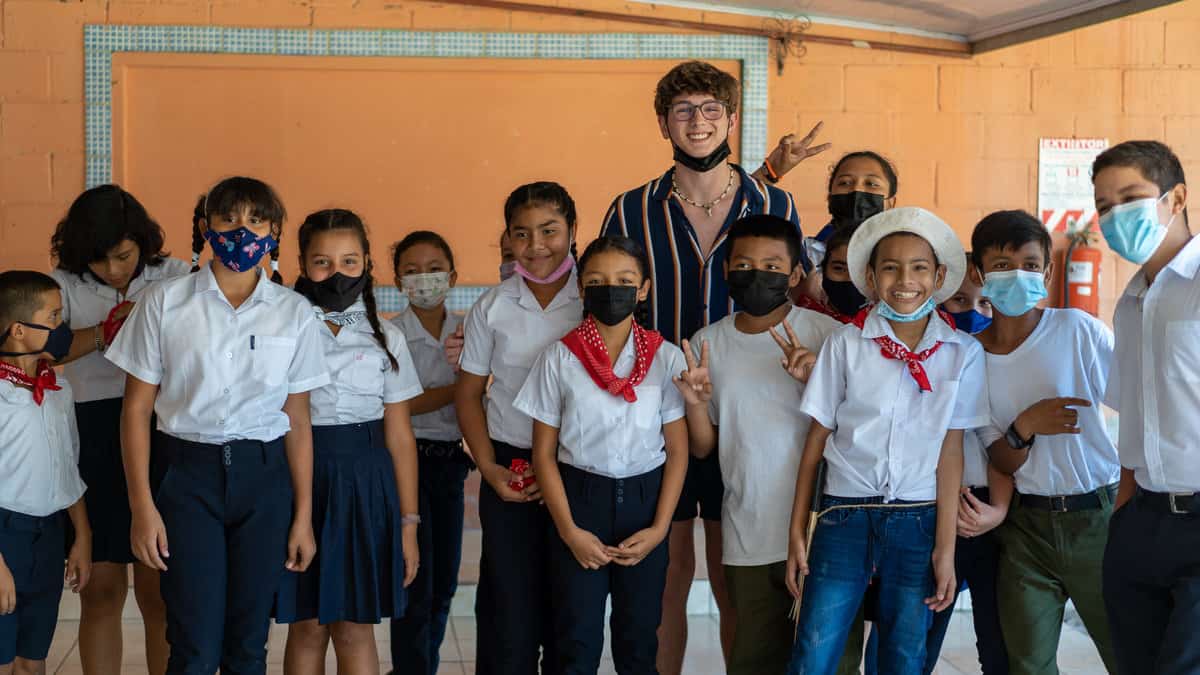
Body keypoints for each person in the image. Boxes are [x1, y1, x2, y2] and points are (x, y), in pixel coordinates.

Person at [599, 60, 822, 672]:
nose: (697, 122)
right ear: (663, 123)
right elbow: (601, 301)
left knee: (737, 575)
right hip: (655, 411)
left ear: (730, 118)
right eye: (683, 111)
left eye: (709, 110)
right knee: (665, 574)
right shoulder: (629, 209)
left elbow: (796, 290)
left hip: (750, 408)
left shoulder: (771, 200)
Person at [106, 176, 328, 673]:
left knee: (248, 643)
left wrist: (302, 515)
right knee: (193, 644)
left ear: (274, 231)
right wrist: (143, 507)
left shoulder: (294, 313)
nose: (241, 232)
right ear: (207, 227)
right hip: (187, 477)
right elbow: (137, 410)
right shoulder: (164, 302)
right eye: (228, 220)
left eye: (255, 221)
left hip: (265, 479)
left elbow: (298, 418)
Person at [785, 207, 988, 674]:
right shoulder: (846, 343)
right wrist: (799, 530)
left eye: (919, 267)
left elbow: (951, 451)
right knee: (813, 649)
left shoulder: (961, 353)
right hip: (843, 516)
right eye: (890, 267)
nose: (905, 280)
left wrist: (944, 549)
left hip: (917, 520)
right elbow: (816, 440)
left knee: (903, 654)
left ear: (939, 277)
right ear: (871, 279)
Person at [674, 214, 841, 674]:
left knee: (830, 659)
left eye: (771, 265)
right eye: (743, 264)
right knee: (754, 658)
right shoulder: (708, 344)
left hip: (823, 532)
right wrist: (695, 403)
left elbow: (853, 431)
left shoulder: (830, 338)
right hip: (747, 529)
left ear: (793, 275)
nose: (756, 274)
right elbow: (705, 447)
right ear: (726, 272)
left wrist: (814, 381)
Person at [514, 235, 689, 674]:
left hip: (646, 505)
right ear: (580, 288)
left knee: (639, 636)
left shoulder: (665, 358)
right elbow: (544, 455)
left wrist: (660, 529)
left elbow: (680, 452)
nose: (611, 290)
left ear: (644, 288)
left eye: (625, 280)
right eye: (597, 280)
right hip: (578, 501)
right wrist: (570, 531)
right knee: (575, 638)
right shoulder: (559, 358)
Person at [968, 210, 1118, 674]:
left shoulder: (1077, 331)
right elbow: (1001, 458)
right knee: (1027, 662)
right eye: (1002, 265)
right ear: (979, 274)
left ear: (1048, 272)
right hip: (1025, 528)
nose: (1018, 277)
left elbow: (1137, 408)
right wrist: (1026, 425)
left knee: (1128, 649)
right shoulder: (971, 356)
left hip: (1097, 518)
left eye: (1031, 266)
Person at [48, 184, 187, 675]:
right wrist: (104, 332)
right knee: (101, 590)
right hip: (91, 428)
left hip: (160, 427)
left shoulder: (177, 276)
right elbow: (43, 348)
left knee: (159, 590)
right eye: (99, 262)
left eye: (123, 256)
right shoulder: (62, 282)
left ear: (142, 242)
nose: (113, 270)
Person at [277, 209, 422, 675]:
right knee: (308, 624)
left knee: (355, 627)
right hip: (300, 477)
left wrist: (408, 523)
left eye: (349, 262)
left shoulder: (388, 338)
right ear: (302, 263)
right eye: (322, 262)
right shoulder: (285, 330)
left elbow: (399, 437)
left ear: (366, 266)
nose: (336, 274)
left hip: (365, 484)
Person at [457, 181, 583, 674]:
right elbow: (469, 394)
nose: (536, 246)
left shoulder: (594, 298)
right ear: (507, 239)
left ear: (573, 229)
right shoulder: (493, 306)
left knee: (569, 603)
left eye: (549, 231)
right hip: (511, 467)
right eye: (521, 234)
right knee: (507, 605)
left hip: (576, 466)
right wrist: (488, 468)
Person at [1093, 140, 1199, 674]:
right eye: (1104, 205)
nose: (1116, 216)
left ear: (1176, 197)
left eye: (1131, 197)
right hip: (1143, 520)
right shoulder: (1131, 301)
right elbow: (1133, 418)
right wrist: (1124, 517)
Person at [388, 231, 474, 675]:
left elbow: (474, 398)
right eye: (412, 271)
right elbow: (397, 406)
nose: (425, 279)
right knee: (415, 584)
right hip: (406, 464)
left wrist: (458, 392)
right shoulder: (390, 334)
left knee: (444, 584)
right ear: (398, 279)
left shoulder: (469, 330)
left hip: (449, 465)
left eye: (434, 268)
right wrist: (458, 390)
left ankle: (422, 667)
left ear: (453, 276)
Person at [0, 271, 92, 675]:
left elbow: (67, 468)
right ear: (19, 330)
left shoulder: (58, 389)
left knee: (33, 655)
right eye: (53, 317)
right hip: (5, 538)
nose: (62, 328)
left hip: (49, 535)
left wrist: (82, 536)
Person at [795, 151, 898, 308]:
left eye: (871, 184)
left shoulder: (905, 257)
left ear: (891, 203)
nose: (856, 190)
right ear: (830, 198)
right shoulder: (803, 254)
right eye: (845, 183)